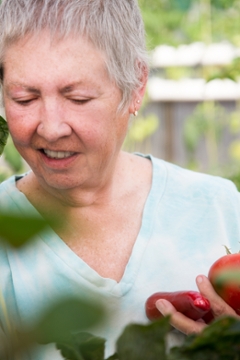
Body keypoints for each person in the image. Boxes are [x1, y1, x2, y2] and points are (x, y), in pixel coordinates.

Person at [0, 0, 240, 359]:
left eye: (78, 98)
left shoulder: (219, 208)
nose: (50, 128)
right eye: (25, 98)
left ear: (136, 85)